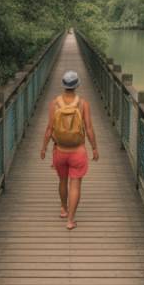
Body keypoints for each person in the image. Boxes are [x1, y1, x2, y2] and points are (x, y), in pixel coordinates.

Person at [40, 69, 99, 230]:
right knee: (75, 185)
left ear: (63, 85)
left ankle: (63, 209)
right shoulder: (83, 103)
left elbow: (49, 129)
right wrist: (94, 148)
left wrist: (44, 148)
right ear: (77, 85)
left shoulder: (54, 103)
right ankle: (70, 221)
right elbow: (89, 128)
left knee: (62, 181)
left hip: (60, 151)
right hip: (78, 151)